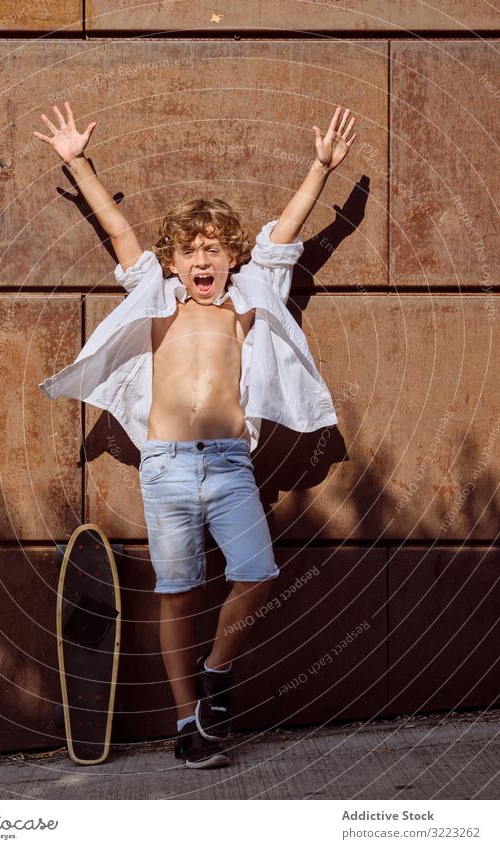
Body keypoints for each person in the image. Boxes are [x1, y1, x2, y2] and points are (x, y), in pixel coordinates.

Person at [34, 101, 357, 769]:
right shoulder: (155, 300)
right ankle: (189, 719)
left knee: (258, 573)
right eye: (190, 250)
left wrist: (319, 169)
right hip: (168, 467)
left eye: (214, 249)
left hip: (231, 464)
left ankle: (217, 672)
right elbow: (121, 233)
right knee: (176, 592)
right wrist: (79, 163)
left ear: (231, 255)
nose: (202, 259)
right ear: (174, 261)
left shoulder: (249, 297)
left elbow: (287, 235)